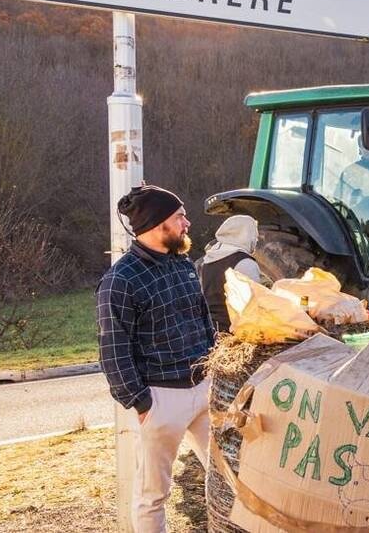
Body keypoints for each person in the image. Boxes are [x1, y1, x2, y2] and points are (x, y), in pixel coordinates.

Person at [97, 185, 215, 533]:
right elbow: (113, 349)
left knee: (229, 475)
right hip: (161, 399)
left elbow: (203, 320)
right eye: (180, 217)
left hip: (204, 389)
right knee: (153, 496)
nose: (187, 223)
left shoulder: (183, 265)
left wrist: (214, 367)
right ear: (156, 223)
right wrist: (141, 402)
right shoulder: (120, 280)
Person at [196, 215, 262, 333]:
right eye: (254, 235)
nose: (256, 240)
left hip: (210, 329)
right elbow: (253, 305)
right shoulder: (244, 262)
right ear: (245, 234)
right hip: (233, 331)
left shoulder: (207, 261)